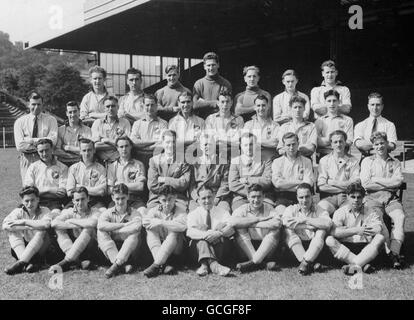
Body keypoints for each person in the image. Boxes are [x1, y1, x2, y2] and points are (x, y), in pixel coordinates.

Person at [361, 132, 406, 269]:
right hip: (372, 198)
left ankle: (394, 252)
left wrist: (377, 179)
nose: (379, 146)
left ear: (387, 144)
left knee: (400, 217)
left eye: (382, 143)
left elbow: (398, 182)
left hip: (391, 197)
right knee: (380, 222)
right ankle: (390, 254)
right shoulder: (368, 161)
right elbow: (366, 184)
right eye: (376, 144)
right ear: (373, 146)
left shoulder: (395, 162)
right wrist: (389, 182)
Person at [326, 183, 385, 275]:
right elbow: (334, 232)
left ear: (363, 198)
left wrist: (345, 231)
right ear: (347, 197)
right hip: (346, 247)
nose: (356, 200)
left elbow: (378, 229)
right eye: (353, 197)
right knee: (329, 240)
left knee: (380, 238)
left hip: (365, 247)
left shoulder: (370, 211)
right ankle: (362, 264)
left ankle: (353, 266)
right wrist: (356, 230)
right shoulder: (340, 212)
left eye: (359, 197)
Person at [3, 186, 56, 275]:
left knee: (42, 230)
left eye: (32, 200)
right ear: (22, 202)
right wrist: (27, 227)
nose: (30, 203)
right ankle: (27, 262)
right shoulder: (18, 211)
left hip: (41, 249)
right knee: (11, 231)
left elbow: (45, 224)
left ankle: (21, 263)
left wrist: (24, 222)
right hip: (24, 247)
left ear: (38, 199)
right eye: (27, 201)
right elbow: (5, 225)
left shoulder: (45, 210)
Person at [282, 183, 332, 275]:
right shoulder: (291, 209)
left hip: (315, 247)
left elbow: (328, 223)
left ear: (312, 196)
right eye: (301, 197)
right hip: (296, 247)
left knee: (322, 231)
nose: (304, 200)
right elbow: (285, 222)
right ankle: (309, 263)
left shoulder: (318, 209)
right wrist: (307, 226)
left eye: (307, 197)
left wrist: (305, 219)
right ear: (297, 197)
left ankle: (305, 263)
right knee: (288, 230)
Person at [230, 184, 282, 273]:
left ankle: (253, 262)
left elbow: (277, 223)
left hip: (266, 247)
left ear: (264, 197)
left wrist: (250, 224)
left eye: (259, 197)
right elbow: (233, 222)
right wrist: (258, 220)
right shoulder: (242, 209)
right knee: (239, 229)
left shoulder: (269, 208)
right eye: (253, 197)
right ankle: (263, 264)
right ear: (248, 197)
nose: (256, 200)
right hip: (247, 246)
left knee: (275, 231)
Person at [49, 187, 102, 272]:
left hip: (90, 248)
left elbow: (92, 223)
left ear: (88, 199)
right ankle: (78, 262)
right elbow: (54, 223)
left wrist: (72, 221)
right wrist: (74, 226)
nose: (80, 203)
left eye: (83, 199)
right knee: (59, 229)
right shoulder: (69, 211)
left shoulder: (95, 211)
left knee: (88, 228)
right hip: (72, 246)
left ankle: (66, 262)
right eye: (77, 200)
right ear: (73, 201)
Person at [187, 186, 235, 277]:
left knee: (218, 235)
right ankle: (214, 265)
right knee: (201, 240)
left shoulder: (223, 212)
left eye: (209, 197)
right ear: (199, 199)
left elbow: (231, 229)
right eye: (203, 198)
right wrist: (208, 234)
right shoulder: (193, 214)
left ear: (214, 196)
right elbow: (189, 232)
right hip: (199, 251)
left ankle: (204, 265)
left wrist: (218, 233)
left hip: (219, 248)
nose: (207, 201)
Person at [97, 183, 142, 278]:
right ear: (112, 197)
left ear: (128, 196)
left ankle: (115, 266)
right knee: (101, 232)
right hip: (113, 249)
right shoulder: (107, 213)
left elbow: (136, 227)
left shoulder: (135, 212)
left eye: (123, 198)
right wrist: (123, 225)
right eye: (117, 199)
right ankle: (119, 265)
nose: (120, 202)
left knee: (134, 234)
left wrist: (113, 230)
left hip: (130, 251)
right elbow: (100, 226)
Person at [142, 185, 187, 278]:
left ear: (175, 197)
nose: (167, 203)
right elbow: (145, 222)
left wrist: (161, 222)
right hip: (159, 247)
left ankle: (156, 265)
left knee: (174, 231)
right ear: (158, 199)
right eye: (164, 200)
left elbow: (182, 227)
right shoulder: (154, 210)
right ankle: (162, 264)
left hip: (176, 250)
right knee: (150, 230)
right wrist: (155, 223)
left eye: (170, 199)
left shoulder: (181, 211)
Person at [14, 92, 58, 184]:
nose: (36, 107)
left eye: (39, 104)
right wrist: (43, 142)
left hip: (46, 158)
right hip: (27, 159)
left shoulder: (51, 120)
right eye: (33, 104)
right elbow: (20, 146)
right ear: (28, 104)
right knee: (29, 189)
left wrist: (29, 140)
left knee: (47, 186)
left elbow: (53, 141)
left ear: (43, 105)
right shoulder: (20, 122)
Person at [317, 130, 360, 216]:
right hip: (329, 197)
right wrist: (346, 186)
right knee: (321, 211)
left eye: (341, 141)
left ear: (345, 143)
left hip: (347, 197)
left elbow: (356, 183)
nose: (338, 144)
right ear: (331, 144)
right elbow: (322, 186)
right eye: (335, 142)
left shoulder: (353, 160)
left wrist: (332, 182)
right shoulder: (324, 160)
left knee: (343, 215)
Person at [147, 130, 191, 213]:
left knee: (182, 216)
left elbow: (184, 184)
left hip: (178, 198)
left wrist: (164, 179)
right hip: (157, 198)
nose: (170, 145)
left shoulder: (183, 161)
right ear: (162, 143)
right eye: (167, 142)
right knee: (152, 217)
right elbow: (152, 185)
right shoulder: (154, 161)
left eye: (173, 142)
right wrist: (175, 181)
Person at [272, 132, 314, 215]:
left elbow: (309, 183)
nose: (291, 147)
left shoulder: (307, 161)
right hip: (283, 197)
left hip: (302, 197)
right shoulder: (277, 162)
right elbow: (278, 184)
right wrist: (300, 182)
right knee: (282, 215)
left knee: (303, 216)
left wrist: (286, 184)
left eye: (294, 144)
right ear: (283, 146)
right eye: (288, 145)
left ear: (298, 144)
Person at [229, 132, 273, 211]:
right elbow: (233, 184)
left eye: (251, 144)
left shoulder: (266, 159)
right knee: (240, 213)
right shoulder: (235, 161)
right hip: (242, 197)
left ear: (256, 145)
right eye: (245, 145)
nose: (249, 147)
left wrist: (247, 180)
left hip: (263, 196)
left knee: (267, 213)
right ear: (241, 146)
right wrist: (251, 194)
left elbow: (267, 181)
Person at [190, 132, 232, 212]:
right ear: (200, 146)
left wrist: (216, 200)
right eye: (205, 144)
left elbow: (225, 185)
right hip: (199, 197)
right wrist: (198, 200)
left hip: (218, 197)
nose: (208, 147)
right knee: (194, 213)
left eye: (210, 144)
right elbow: (191, 187)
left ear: (214, 146)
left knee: (224, 211)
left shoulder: (223, 162)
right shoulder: (194, 163)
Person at [24, 138, 68, 213]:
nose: (44, 154)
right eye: (41, 151)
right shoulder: (33, 167)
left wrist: (38, 191)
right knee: (19, 215)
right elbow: (29, 191)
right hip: (35, 201)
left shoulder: (63, 167)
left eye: (47, 150)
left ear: (52, 149)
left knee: (54, 218)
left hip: (54, 202)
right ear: (37, 152)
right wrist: (50, 190)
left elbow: (61, 193)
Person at [66, 138, 107, 210]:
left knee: (102, 212)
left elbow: (101, 191)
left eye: (89, 150)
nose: (87, 153)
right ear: (80, 152)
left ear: (94, 150)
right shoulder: (73, 168)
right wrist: (94, 190)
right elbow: (70, 192)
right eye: (84, 150)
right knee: (63, 215)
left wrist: (79, 186)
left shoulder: (101, 168)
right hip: (77, 201)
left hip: (95, 201)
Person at [107, 136, 147, 210]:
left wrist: (119, 185)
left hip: (135, 199)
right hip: (117, 200)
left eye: (126, 146)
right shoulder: (112, 166)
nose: (124, 149)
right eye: (121, 147)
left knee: (143, 211)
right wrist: (131, 186)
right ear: (117, 148)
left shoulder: (138, 164)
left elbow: (140, 186)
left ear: (131, 147)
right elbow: (109, 190)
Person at [354, 92, 397, 156]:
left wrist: (368, 144)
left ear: (382, 106)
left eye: (378, 105)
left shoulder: (389, 125)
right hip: (365, 160)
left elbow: (392, 145)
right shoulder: (360, 125)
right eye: (372, 105)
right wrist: (381, 144)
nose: (375, 108)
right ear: (368, 106)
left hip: (384, 160)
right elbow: (358, 144)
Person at [315, 89, 353, 158]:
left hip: (342, 155)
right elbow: (317, 141)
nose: (332, 104)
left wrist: (327, 140)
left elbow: (349, 141)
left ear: (339, 102)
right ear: (325, 102)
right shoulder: (319, 121)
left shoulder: (347, 120)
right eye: (329, 101)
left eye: (334, 101)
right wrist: (339, 141)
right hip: (324, 155)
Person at [91, 96, 131, 163]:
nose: (110, 109)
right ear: (104, 108)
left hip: (119, 162)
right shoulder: (97, 123)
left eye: (113, 106)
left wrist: (107, 140)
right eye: (108, 106)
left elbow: (127, 145)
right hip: (100, 162)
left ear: (117, 107)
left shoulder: (125, 122)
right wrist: (118, 145)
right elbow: (96, 146)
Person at [193, 52, 232, 119]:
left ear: (218, 65)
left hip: (220, 120)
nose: (211, 68)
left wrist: (204, 103)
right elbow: (194, 105)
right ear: (204, 66)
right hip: (202, 121)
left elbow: (227, 104)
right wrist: (214, 103)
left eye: (213, 65)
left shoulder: (225, 84)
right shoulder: (199, 84)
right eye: (208, 65)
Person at [55, 101, 92, 167]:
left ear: (79, 111)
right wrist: (72, 155)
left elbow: (88, 150)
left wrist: (68, 148)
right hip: (63, 164)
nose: (73, 115)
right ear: (66, 113)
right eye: (70, 112)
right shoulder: (60, 130)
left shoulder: (87, 130)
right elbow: (57, 150)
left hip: (81, 164)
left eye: (75, 111)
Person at [243, 94, 279, 161]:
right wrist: (267, 143)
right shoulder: (248, 125)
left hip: (270, 159)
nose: (261, 108)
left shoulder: (275, 125)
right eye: (258, 105)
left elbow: (275, 143)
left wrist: (256, 141)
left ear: (268, 106)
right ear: (254, 107)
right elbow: (245, 143)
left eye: (263, 105)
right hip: (252, 160)